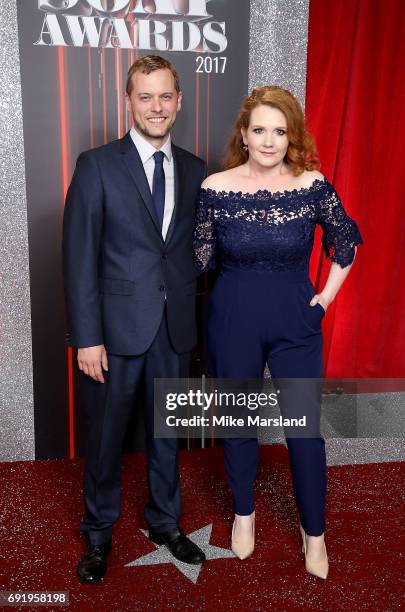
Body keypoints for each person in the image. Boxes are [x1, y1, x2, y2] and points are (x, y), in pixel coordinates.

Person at [193, 85, 362, 579]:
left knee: (305, 434)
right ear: (244, 135)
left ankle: (316, 535)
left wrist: (324, 300)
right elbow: (196, 259)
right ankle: (243, 516)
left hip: (296, 320)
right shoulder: (215, 187)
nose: (269, 140)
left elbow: (345, 243)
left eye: (280, 131)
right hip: (233, 318)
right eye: (260, 129)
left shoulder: (312, 185)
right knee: (239, 425)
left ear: (292, 137)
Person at [63, 55, 206, 583]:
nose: (156, 107)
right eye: (145, 96)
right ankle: (98, 535)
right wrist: (87, 338)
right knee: (104, 440)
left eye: (165, 96)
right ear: (128, 100)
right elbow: (79, 258)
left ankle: (165, 524)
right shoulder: (96, 164)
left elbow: (192, 250)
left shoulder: (194, 168)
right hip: (114, 334)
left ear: (179, 101)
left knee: (166, 435)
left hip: (173, 329)